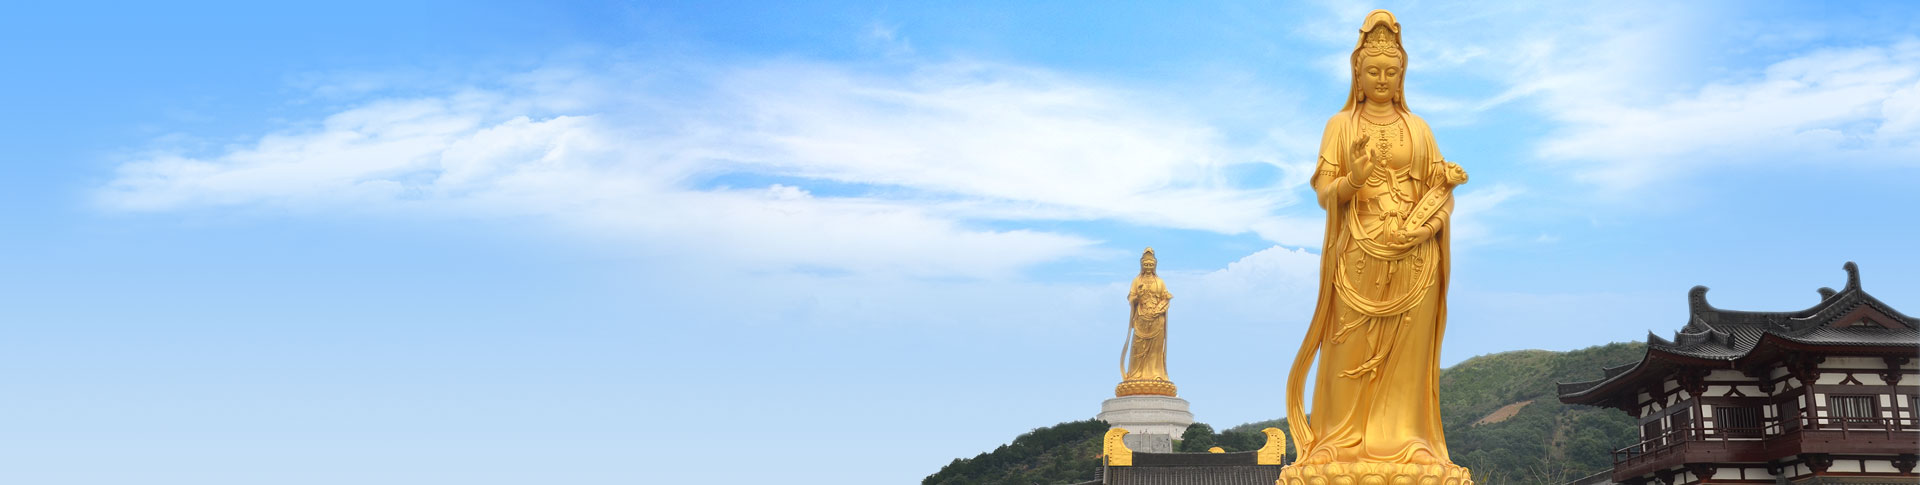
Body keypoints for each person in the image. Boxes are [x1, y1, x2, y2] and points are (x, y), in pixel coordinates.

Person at [1284, 9, 1470, 468]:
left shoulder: (1418, 129)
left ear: (1402, 74)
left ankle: (1410, 442)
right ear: (1357, 74)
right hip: (1359, 253)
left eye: (1391, 71)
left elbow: (1441, 192)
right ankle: (1339, 442)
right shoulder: (1340, 125)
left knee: (1408, 357)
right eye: (1373, 71)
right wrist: (1354, 178)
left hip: (1416, 257)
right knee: (1348, 347)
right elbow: (1325, 192)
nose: (1382, 80)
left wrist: (1426, 227)